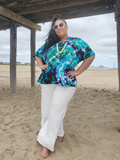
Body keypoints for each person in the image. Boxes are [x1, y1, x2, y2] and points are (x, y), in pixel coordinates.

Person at [34, 14, 95, 159]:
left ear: (66, 26)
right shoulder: (50, 45)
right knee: (47, 111)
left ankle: (46, 145)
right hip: (47, 80)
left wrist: (78, 71)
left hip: (67, 82)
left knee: (56, 108)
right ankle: (60, 133)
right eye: (55, 26)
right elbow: (37, 55)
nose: (58, 28)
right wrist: (41, 64)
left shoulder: (76, 42)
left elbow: (90, 56)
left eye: (61, 25)